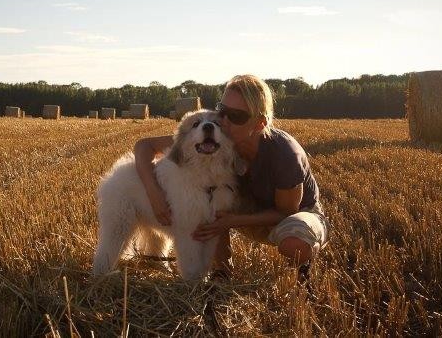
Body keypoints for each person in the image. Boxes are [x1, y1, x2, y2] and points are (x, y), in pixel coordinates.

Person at [133, 74, 330, 282]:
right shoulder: (218, 137)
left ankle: (305, 265)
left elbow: (286, 211)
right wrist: (153, 192)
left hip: (291, 215)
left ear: (260, 123)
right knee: (207, 204)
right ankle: (222, 272)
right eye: (222, 110)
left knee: (294, 246)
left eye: (236, 116)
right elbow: (144, 146)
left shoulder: (285, 154)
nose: (224, 121)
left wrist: (233, 221)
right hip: (246, 207)